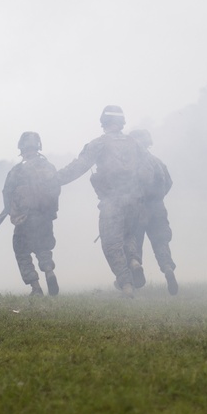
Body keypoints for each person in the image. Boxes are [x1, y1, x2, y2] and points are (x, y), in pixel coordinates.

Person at [57, 106, 151, 298]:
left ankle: (126, 284)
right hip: (135, 201)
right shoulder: (135, 143)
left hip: (112, 202)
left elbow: (79, 167)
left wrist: (54, 180)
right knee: (129, 236)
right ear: (122, 122)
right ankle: (134, 260)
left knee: (111, 244)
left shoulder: (99, 143)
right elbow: (148, 170)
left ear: (103, 122)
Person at [0, 132, 62, 296]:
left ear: (21, 149)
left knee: (21, 251)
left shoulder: (16, 171)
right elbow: (56, 189)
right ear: (38, 147)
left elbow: (7, 194)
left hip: (23, 219)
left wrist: (3, 214)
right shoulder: (48, 167)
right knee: (43, 248)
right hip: (44, 217)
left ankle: (36, 287)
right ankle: (49, 271)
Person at [129, 129, 179, 295]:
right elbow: (169, 182)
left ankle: (135, 265)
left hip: (137, 209)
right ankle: (167, 269)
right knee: (161, 243)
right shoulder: (156, 161)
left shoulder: (129, 163)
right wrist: (157, 199)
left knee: (133, 242)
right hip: (157, 208)